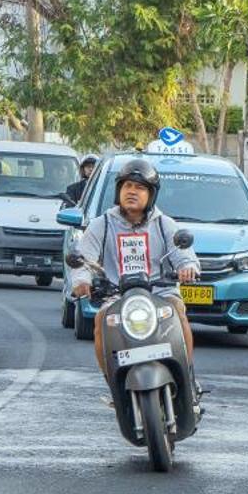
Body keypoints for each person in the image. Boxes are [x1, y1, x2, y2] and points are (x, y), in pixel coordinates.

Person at [68, 156, 200, 377]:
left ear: (151, 195)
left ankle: (186, 375)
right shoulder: (102, 224)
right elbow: (83, 258)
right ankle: (114, 384)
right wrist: (81, 281)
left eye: (139, 188)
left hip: (160, 293)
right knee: (101, 321)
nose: (132, 191)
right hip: (116, 295)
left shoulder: (164, 223)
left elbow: (183, 254)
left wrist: (187, 267)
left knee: (178, 312)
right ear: (119, 190)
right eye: (127, 186)